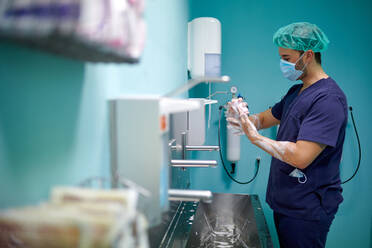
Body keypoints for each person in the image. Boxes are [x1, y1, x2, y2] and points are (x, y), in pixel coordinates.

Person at [227, 22, 348, 248]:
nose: (283, 64)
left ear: (308, 55)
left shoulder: (328, 99)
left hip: (308, 208)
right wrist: (242, 118)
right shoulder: (297, 91)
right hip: (287, 201)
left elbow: (300, 157)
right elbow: (263, 119)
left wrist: (255, 138)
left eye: (287, 57)